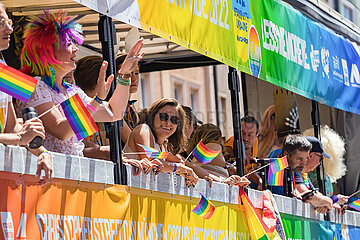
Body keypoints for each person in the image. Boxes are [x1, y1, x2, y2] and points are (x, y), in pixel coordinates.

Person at [17, 10, 143, 157]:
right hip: (45, 175)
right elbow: (62, 131)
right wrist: (97, 100)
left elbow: (115, 113)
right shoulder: (35, 86)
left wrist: (124, 74)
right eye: (69, 43)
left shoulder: (72, 91)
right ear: (48, 50)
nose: (76, 49)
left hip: (72, 174)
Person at [0, 3, 52, 185]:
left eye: (9, 22)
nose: (9, 28)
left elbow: (11, 127)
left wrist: (42, 152)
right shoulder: (35, 85)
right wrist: (21, 138)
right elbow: (63, 130)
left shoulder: (3, 69)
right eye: (1, 23)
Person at [124, 98, 199, 187]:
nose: (168, 122)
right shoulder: (143, 129)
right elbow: (152, 161)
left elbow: (177, 161)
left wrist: (186, 173)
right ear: (152, 116)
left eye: (174, 120)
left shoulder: (164, 146)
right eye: (164, 117)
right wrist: (178, 168)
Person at [185, 123, 251, 187]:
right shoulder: (214, 144)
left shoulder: (196, 155)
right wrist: (227, 165)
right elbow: (205, 159)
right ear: (217, 137)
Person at [295, 136, 348, 214]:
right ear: (311, 155)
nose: (320, 163)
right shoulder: (295, 168)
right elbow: (308, 196)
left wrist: (328, 203)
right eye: (321, 158)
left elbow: (315, 194)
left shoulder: (304, 173)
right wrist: (332, 200)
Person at [224, 116, 262, 189]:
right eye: (242, 133)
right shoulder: (230, 145)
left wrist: (259, 180)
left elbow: (248, 169)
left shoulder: (255, 142)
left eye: (250, 135)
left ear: (257, 135)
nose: (245, 138)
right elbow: (225, 166)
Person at [116, 54, 141, 147]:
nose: (134, 79)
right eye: (129, 74)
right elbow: (133, 142)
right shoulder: (116, 105)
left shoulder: (131, 108)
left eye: (137, 73)